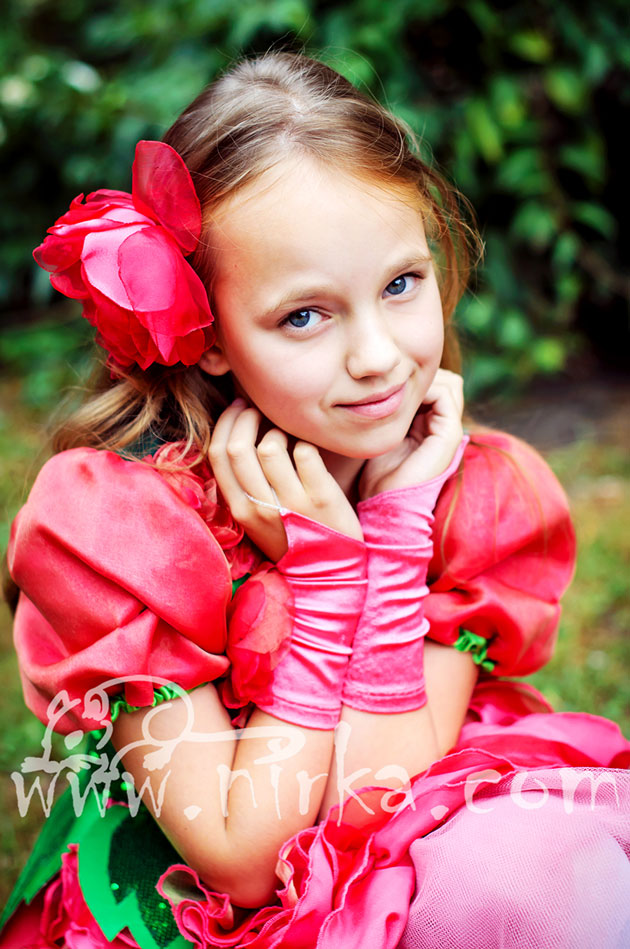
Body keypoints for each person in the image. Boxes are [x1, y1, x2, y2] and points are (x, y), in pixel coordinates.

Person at [2, 51, 629, 949]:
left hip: (399, 804)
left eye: (401, 284)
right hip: (200, 896)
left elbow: (382, 804)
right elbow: (244, 860)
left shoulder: (462, 491)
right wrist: (327, 581)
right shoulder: (129, 529)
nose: (378, 357)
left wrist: (394, 538)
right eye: (305, 315)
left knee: (530, 877)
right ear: (210, 335)